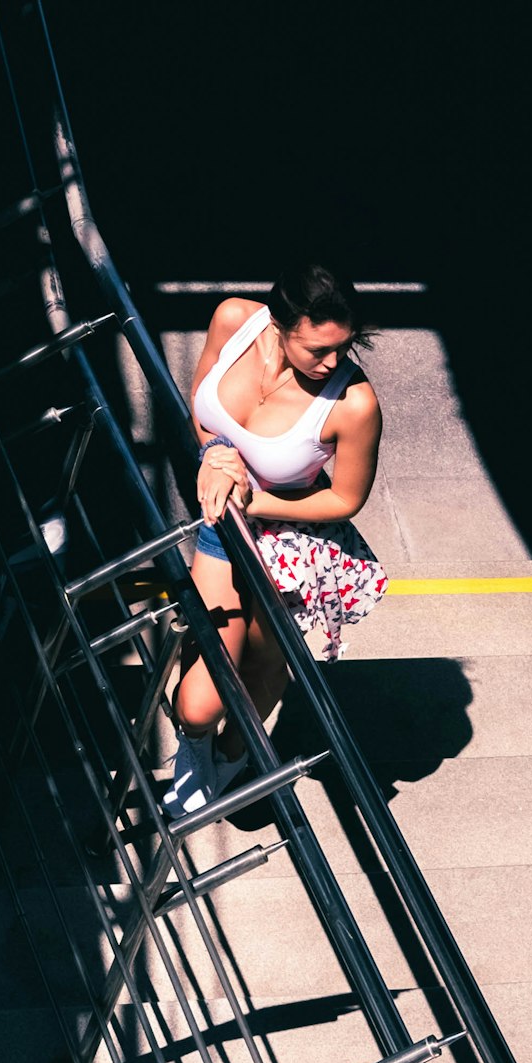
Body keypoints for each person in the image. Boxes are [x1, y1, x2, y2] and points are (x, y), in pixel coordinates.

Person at [163, 262, 383, 817]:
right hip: (222, 531)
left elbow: (345, 498)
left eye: (344, 345)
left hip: (286, 543)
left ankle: (236, 754)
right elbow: (200, 403)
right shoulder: (234, 320)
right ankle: (203, 748)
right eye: (317, 348)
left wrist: (252, 499)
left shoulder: (354, 404)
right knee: (194, 705)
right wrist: (213, 452)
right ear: (280, 324)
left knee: (263, 666)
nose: (333, 362)